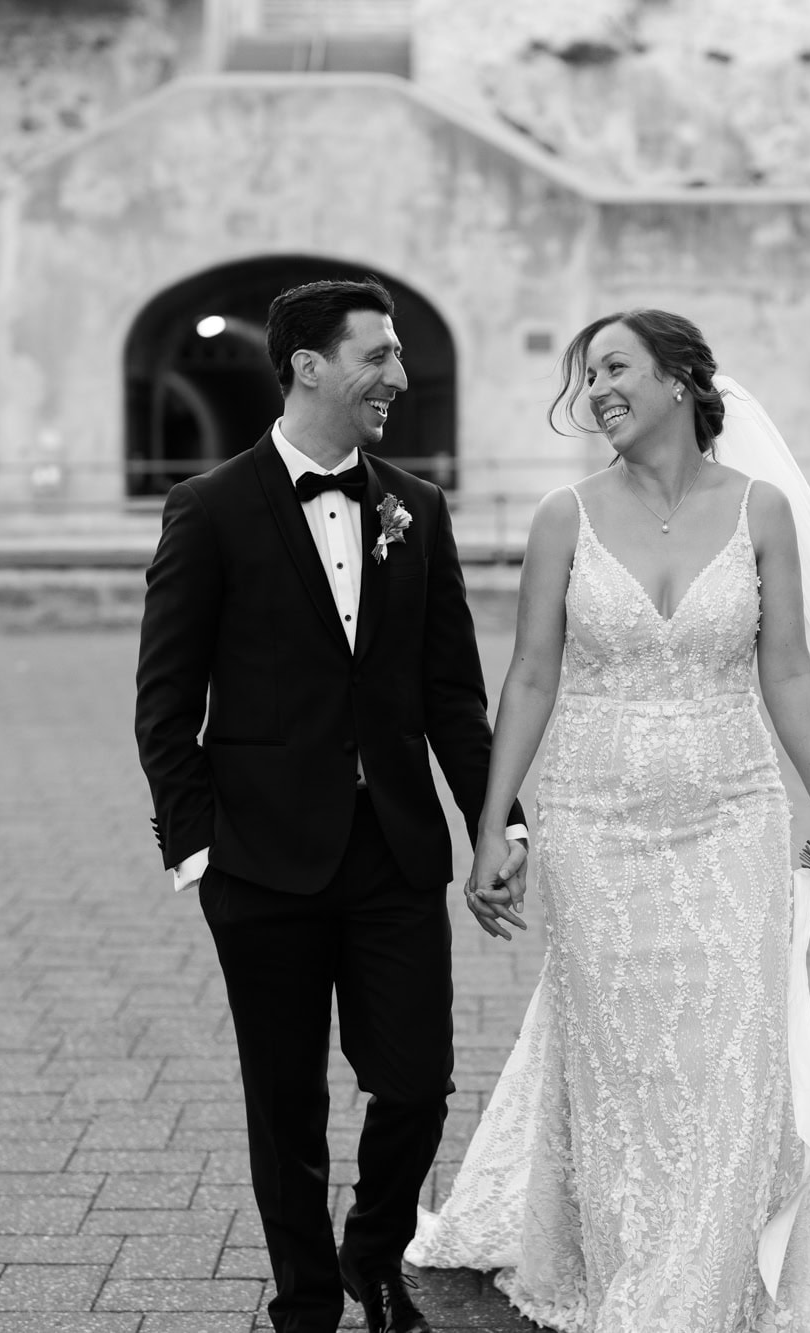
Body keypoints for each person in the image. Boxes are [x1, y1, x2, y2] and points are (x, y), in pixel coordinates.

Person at [408, 311, 810, 1328]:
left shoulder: (760, 512)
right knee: (619, 1050)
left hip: (730, 817)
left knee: (726, 1050)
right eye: (587, 377)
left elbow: (787, 668)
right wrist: (494, 826)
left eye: (615, 368)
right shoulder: (560, 518)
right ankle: (623, 1256)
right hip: (591, 820)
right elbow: (531, 674)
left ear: (680, 380)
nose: (596, 391)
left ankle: (709, 1274)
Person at [134, 277, 526, 1333]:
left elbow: (452, 689)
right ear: (309, 364)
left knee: (418, 1080)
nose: (396, 377)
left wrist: (500, 820)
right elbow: (165, 700)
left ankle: (376, 1249)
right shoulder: (208, 509)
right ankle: (305, 1299)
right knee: (286, 1102)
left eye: (397, 356)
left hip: (395, 851)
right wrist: (195, 849)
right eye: (377, 356)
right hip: (258, 860)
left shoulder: (417, 508)